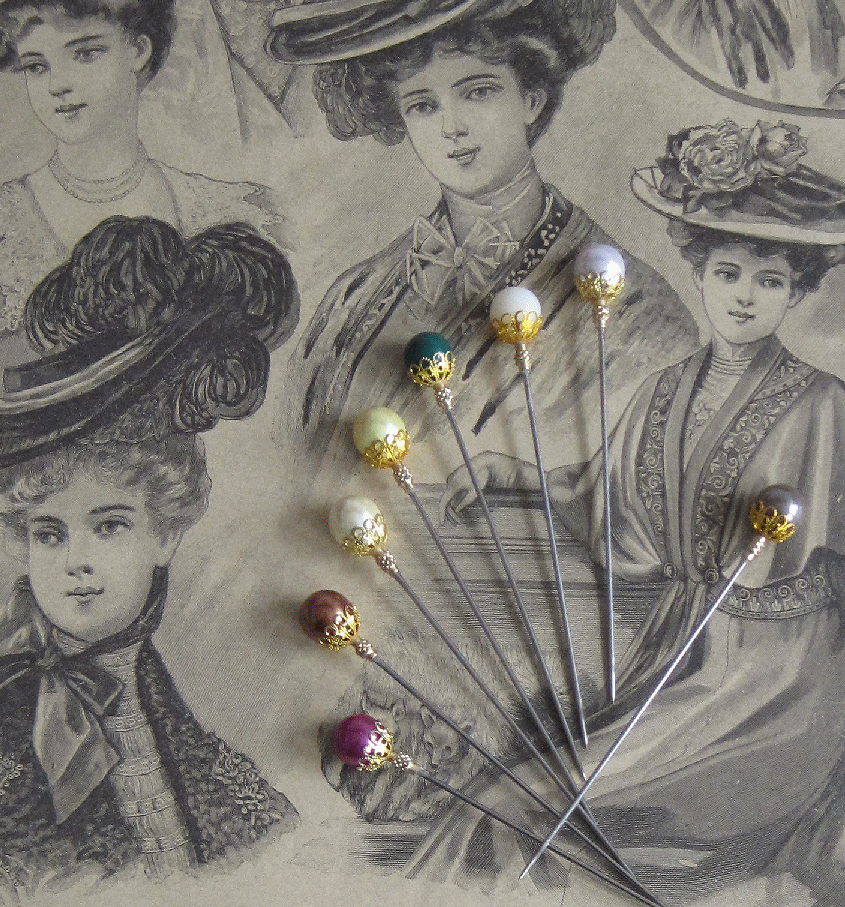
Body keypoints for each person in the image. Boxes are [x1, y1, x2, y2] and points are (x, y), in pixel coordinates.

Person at [410, 120, 845, 904]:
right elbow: (602, 489)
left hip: (777, 677)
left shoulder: (824, 403)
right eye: (726, 271)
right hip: (676, 651)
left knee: (545, 805)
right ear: (699, 273)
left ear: (795, 291)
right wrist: (517, 475)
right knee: (505, 798)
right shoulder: (661, 391)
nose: (743, 294)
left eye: (770, 279)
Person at [0, 216, 300, 886]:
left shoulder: (174, 721)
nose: (75, 561)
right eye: (49, 533)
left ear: (165, 531)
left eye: (108, 526)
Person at [271, 0, 700, 469]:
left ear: (531, 98)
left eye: (478, 92)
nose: (452, 128)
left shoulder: (638, 310)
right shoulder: (350, 301)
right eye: (423, 105)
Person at [0, 0, 289, 368]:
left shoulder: (231, 207)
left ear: (138, 51)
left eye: (85, 54)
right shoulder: (6, 217)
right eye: (37, 67)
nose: (58, 85)